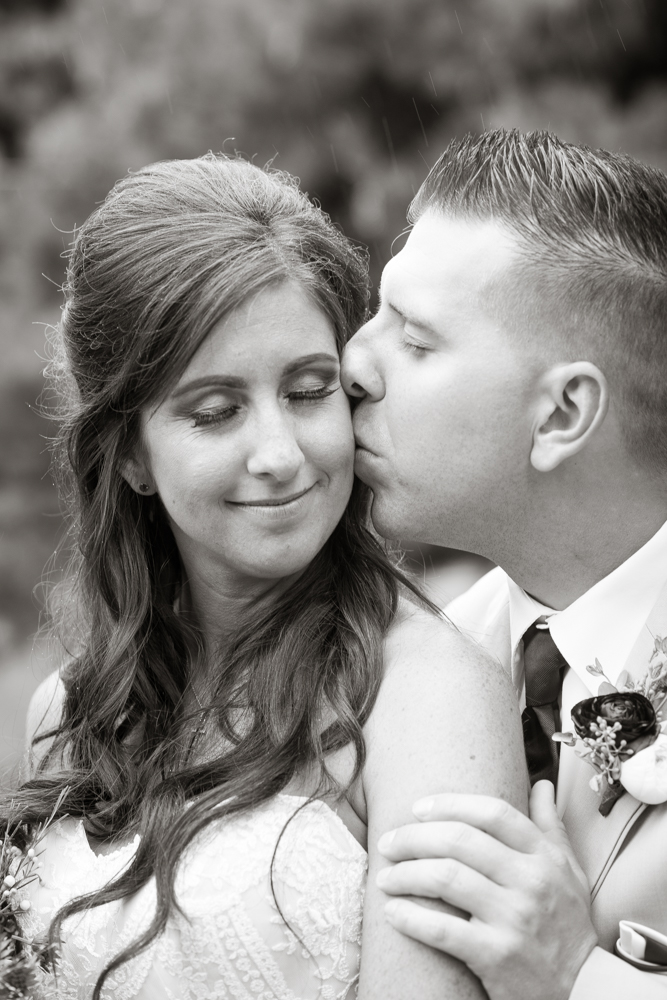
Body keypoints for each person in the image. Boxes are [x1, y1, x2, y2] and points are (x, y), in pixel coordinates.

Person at [6, 154, 526, 1000]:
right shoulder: (68, 709)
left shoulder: (426, 701)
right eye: (215, 412)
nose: (280, 456)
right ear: (131, 453)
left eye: (310, 391)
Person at [341, 128, 667, 1000]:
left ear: (561, 414)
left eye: (413, 340)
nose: (350, 367)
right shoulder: (411, 670)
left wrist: (578, 978)